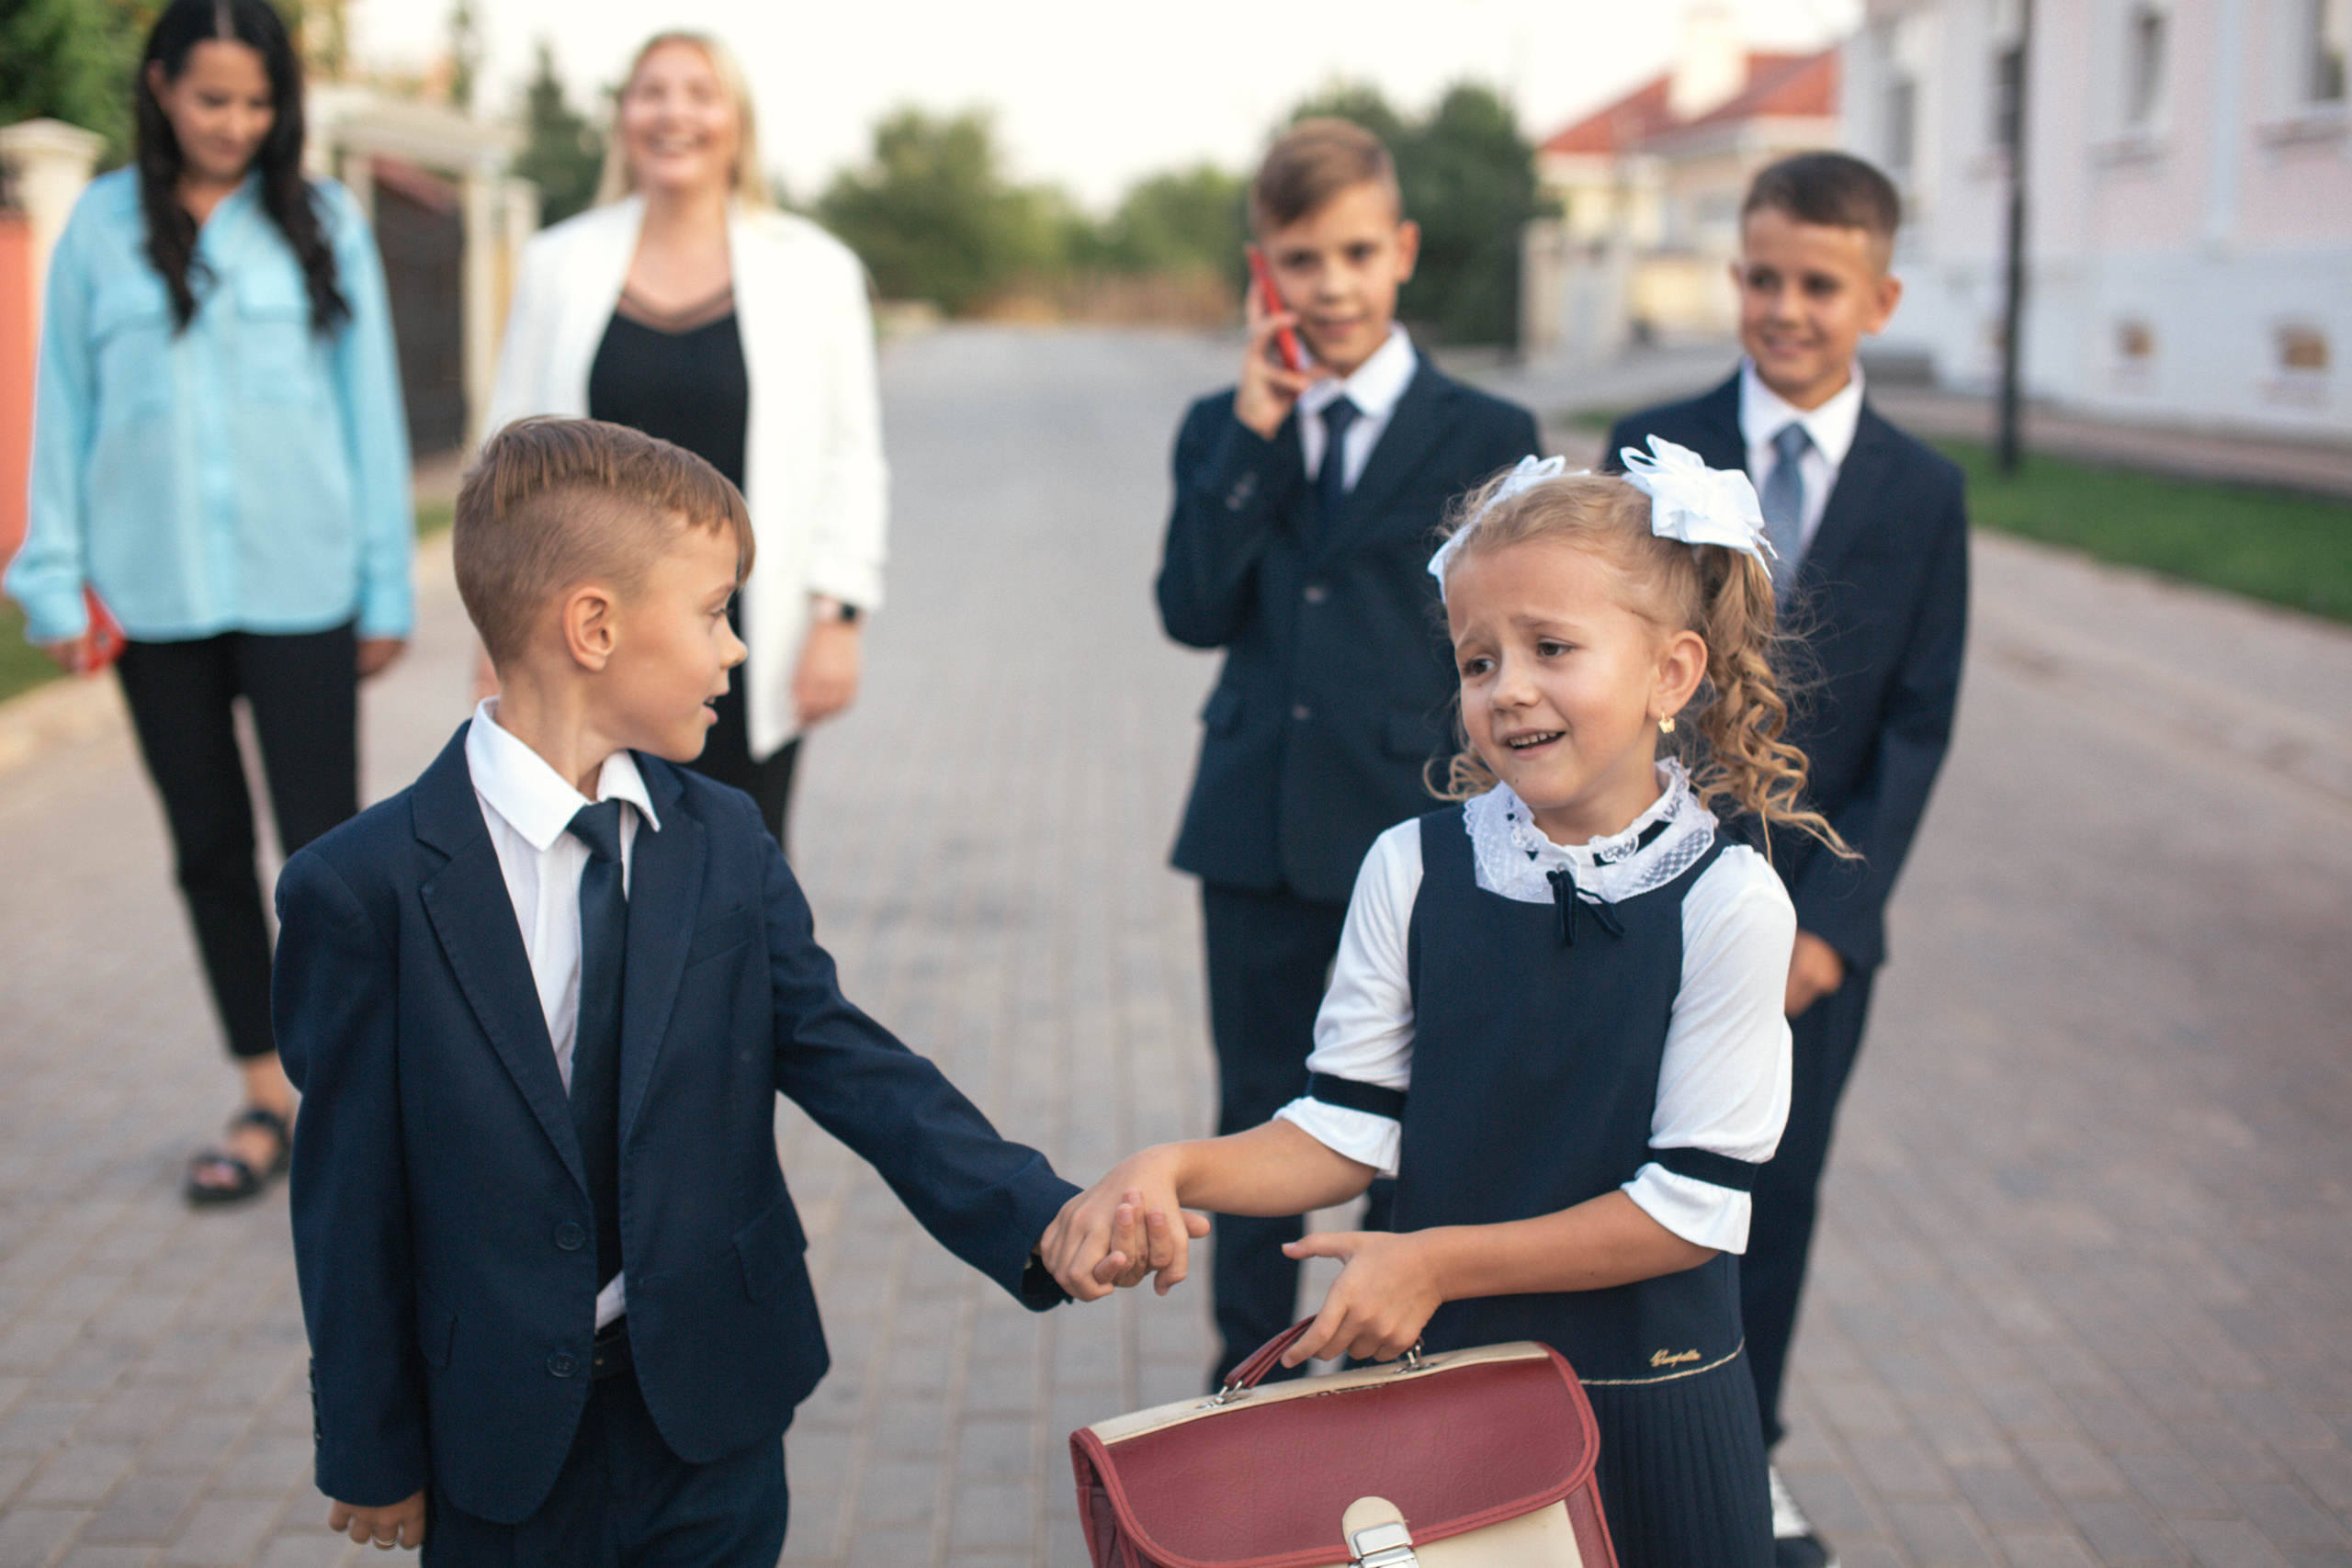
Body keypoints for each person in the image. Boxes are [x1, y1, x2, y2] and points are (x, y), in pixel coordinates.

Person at [277, 420, 1173, 1562]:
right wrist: (370, 1446)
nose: (737, 649)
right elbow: (345, 1198)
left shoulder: (722, 839)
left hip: (711, 1411)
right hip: (498, 1442)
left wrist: (1037, 1215)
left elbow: (845, 1057)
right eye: (713, 612)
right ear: (594, 626)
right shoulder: (362, 889)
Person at [1051, 447, 1847, 1568]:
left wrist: (1431, 1262)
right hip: (1441, 1392)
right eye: (1478, 659)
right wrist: (1178, 1169)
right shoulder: (1411, 866)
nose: (1507, 686)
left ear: (1672, 673)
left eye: (1552, 648)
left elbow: (1691, 1211)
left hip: (1652, 1401)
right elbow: (1344, 1127)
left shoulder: (1732, 901)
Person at [1604, 152, 1969, 1568]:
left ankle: (1742, 1454)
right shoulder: (1657, 441)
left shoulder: (1923, 490)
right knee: (1637, 1172)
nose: (1785, 308)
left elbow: (1917, 731)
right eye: (1763, 277)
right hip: (1658, 897)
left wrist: (1830, 926)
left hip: (1817, 933)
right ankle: (1617, 1431)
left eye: (1819, 284)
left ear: (1875, 296)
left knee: (1776, 1184)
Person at [5, 0, 412, 1204]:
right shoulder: (97, 224)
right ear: (163, 92)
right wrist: (50, 574)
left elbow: (370, 414)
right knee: (207, 850)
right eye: (211, 99)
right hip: (154, 595)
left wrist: (386, 581)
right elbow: (62, 409)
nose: (235, 123)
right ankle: (262, 1092)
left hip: (306, 586)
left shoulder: (324, 222)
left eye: (257, 101)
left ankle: (359, 1093)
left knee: (327, 855)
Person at [1156, 117, 1538, 1383]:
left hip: (1410, 822)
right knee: (1262, 1116)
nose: (1331, 285)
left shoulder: (1486, 427)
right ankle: (1249, 1382)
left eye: (1357, 252)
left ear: (1404, 251)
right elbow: (1191, 608)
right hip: (1254, 834)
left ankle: (1386, 1384)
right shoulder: (1222, 422)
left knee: (1413, 1119)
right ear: (1265, 264)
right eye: (1302, 258)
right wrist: (1258, 435)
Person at [484, 31, 885, 849]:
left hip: (740, 640)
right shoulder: (556, 263)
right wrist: (496, 636)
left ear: (738, 120)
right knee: (589, 873)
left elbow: (851, 453)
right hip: (587, 635)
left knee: (737, 868)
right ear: (623, 117)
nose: (674, 114)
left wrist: (838, 616)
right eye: (650, 92)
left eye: (699, 93)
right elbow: (509, 457)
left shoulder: (814, 269)